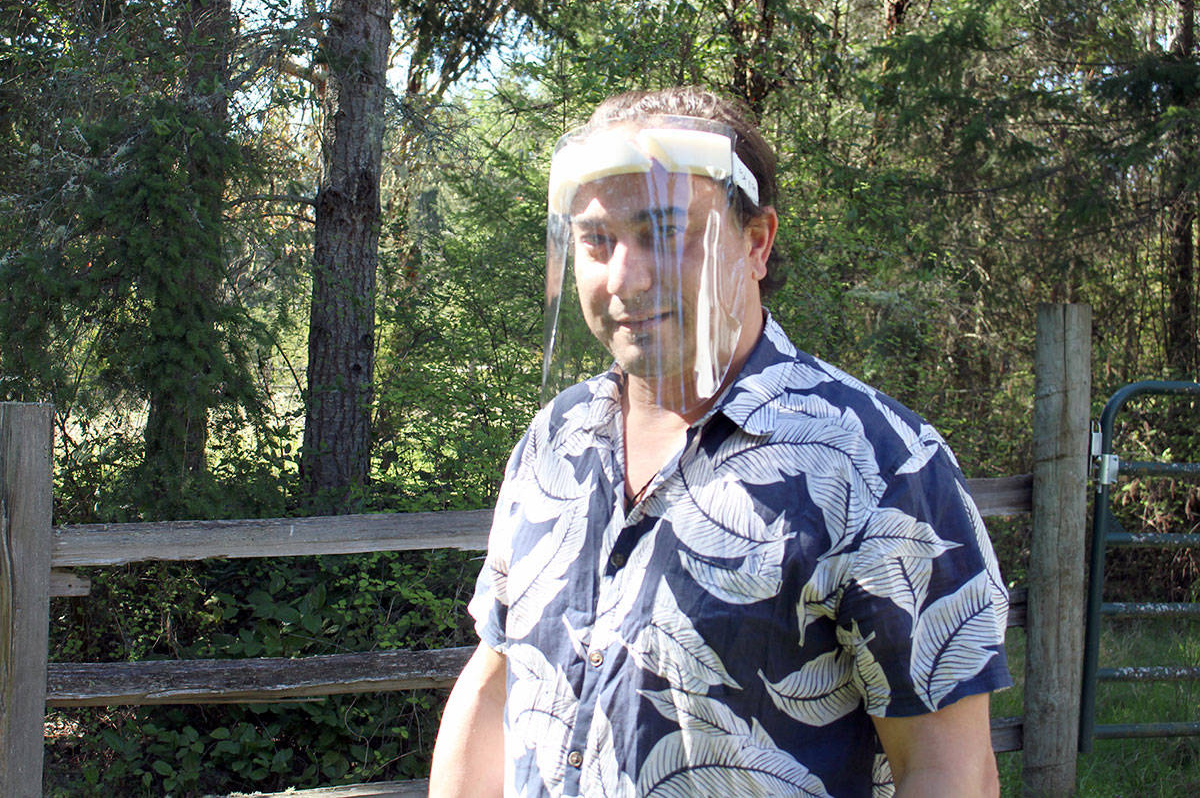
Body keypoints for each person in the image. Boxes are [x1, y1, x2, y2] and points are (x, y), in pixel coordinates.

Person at [429, 87, 1011, 798]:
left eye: (664, 231)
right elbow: (497, 678)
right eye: (597, 240)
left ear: (756, 242)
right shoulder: (557, 438)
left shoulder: (880, 465)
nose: (624, 278)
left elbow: (949, 769)